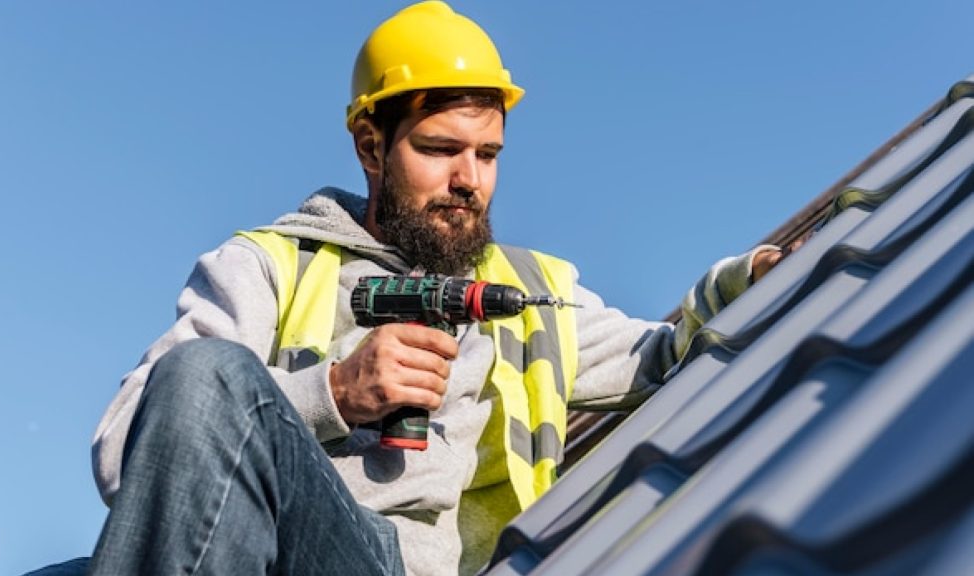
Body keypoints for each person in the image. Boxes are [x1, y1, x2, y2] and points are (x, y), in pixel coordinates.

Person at [38, 2, 785, 575]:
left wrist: (746, 278)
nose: (470, 179)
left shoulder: (526, 293)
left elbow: (664, 353)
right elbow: (122, 449)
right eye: (439, 149)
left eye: (487, 154)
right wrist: (334, 390)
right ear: (371, 145)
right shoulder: (270, 265)